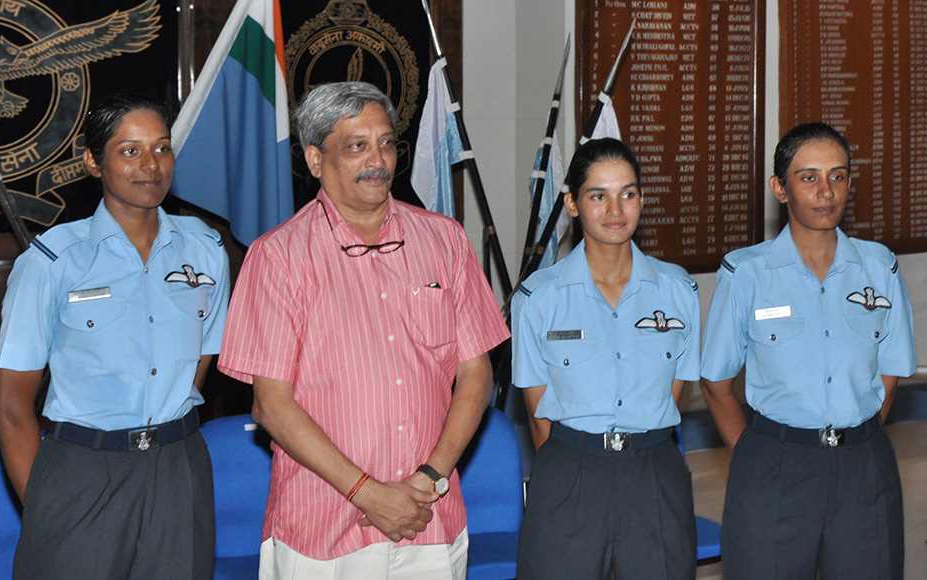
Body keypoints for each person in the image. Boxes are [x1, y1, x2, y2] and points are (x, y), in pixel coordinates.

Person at [217, 81, 509, 579]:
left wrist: (430, 478)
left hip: (428, 519)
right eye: (356, 146)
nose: (378, 159)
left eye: (387, 142)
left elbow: (476, 375)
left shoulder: (446, 241)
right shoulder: (277, 258)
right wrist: (368, 495)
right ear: (315, 159)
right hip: (323, 528)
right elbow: (270, 405)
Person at [0, 93, 230, 579]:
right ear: (92, 162)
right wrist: (46, 503)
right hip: (82, 470)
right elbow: (11, 407)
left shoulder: (206, 250)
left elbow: (200, 362)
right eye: (129, 151)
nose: (151, 165)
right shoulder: (52, 261)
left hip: (178, 467)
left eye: (162, 148)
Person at [700, 122, 916, 579]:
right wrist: (758, 454)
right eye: (809, 177)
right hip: (775, 466)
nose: (826, 192)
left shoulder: (880, 268)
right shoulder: (746, 274)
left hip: (864, 466)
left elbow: (892, 371)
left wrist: (856, 438)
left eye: (838, 176)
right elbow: (716, 383)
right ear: (780, 188)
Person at [512, 138, 698, 580]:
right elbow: (539, 416)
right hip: (570, 474)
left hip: (654, 473)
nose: (616, 210)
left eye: (628, 193)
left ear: (641, 199)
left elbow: (672, 395)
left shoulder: (678, 291)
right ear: (572, 204)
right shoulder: (538, 299)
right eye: (599, 195)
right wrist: (579, 464)